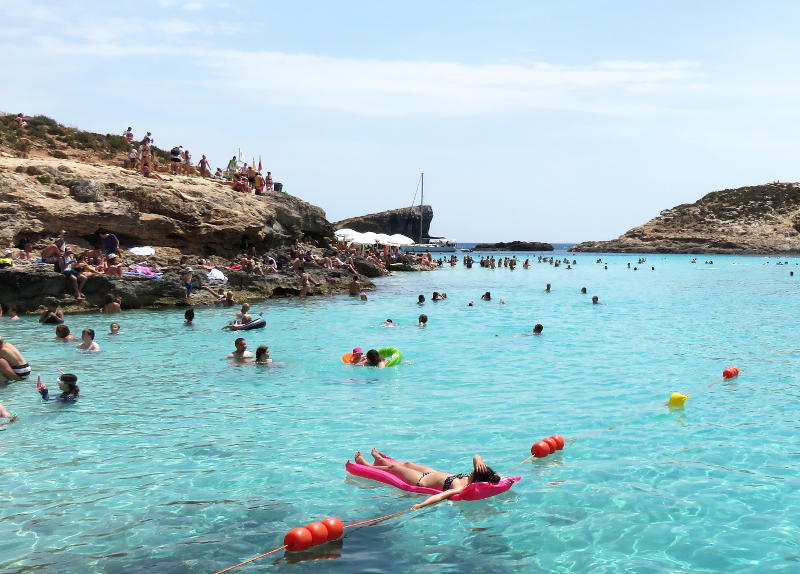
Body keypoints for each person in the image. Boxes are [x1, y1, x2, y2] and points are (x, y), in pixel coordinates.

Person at [353, 449, 500, 510]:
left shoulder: (461, 488)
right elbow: (476, 457)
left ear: (477, 477)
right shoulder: (472, 475)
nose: (473, 468)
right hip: (432, 472)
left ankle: (366, 466)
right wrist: (479, 462)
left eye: (475, 469)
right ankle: (380, 460)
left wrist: (420, 505)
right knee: (407, 464)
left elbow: (440, 496)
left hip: (421, 480)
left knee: (395, 469)